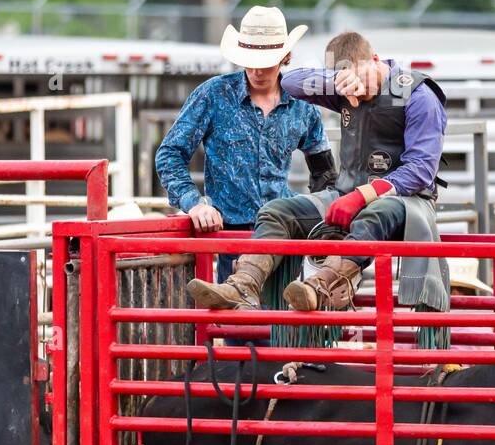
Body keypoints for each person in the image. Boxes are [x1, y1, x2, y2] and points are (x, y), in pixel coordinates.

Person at [186, 30, 449, 316]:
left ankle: (319, 287)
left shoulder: (419, 95)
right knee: (276, 212)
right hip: (348, 194)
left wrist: (363, 195)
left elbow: (420, 170)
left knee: (378, 212)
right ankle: (242, 285)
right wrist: (338, 81)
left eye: (360, 84)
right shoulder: (342, 90)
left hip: (405, 202)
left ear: (375, 60)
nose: (356, 95)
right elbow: (292, 81)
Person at [155, 6, 336, 282]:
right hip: (229, 235)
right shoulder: (213, 94)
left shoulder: (303, 106)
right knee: (237, 318)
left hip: (283, 233)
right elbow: (169, 154)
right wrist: (195, 204)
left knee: (279, 321)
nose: (256, 70)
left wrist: (318, 221)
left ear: (285, 57)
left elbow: (324, 173)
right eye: (249, 61)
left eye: (265, 62)